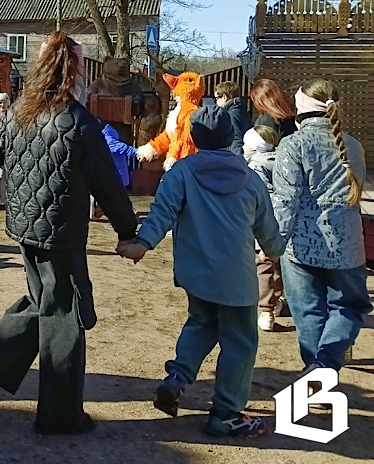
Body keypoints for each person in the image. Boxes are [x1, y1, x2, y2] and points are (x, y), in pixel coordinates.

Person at [0, 31, 139, 435]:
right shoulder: (79, 121)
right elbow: (107, 184)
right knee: (64, 315)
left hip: (26, 226)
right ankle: (60, 416)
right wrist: (127, 232)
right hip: (61, 232)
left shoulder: (18, 112)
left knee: (42, 302)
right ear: (75, 73)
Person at [118, 106, 285, 438]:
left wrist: (142, 244)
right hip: (237, 281)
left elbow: (161, 212)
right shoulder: (250, 179)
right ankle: (226, 413)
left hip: (197, 275)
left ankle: (177, 378)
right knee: (240, 343)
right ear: (230, 137)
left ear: (194, 138)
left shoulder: (181, 173)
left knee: (201, 323)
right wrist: (277, 252)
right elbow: (268, 232)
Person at [272, 80, 372, 373]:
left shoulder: (292, 145)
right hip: (348, 246)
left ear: (300, 111)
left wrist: (272, 243)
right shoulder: (354, 145)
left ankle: (317, 372)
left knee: (308, 313)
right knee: (349, 307)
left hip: (301, 247)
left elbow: (285, 200)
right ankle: (325, 367)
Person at [242, 125, 285, 332]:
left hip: (264, 219)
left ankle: (266, 310)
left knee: (263, 263)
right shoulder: (282, 160)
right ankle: (277, 300)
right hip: (283, 218)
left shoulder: (255, 166)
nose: (242, 146)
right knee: (277, 261)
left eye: (245, 143)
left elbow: (257, 197)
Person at [213, 81, 252, 156]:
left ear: (224, 97)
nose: (216, 103)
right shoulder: (242, 111)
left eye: (216, 99)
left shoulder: (229, 116)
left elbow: (235, 142)